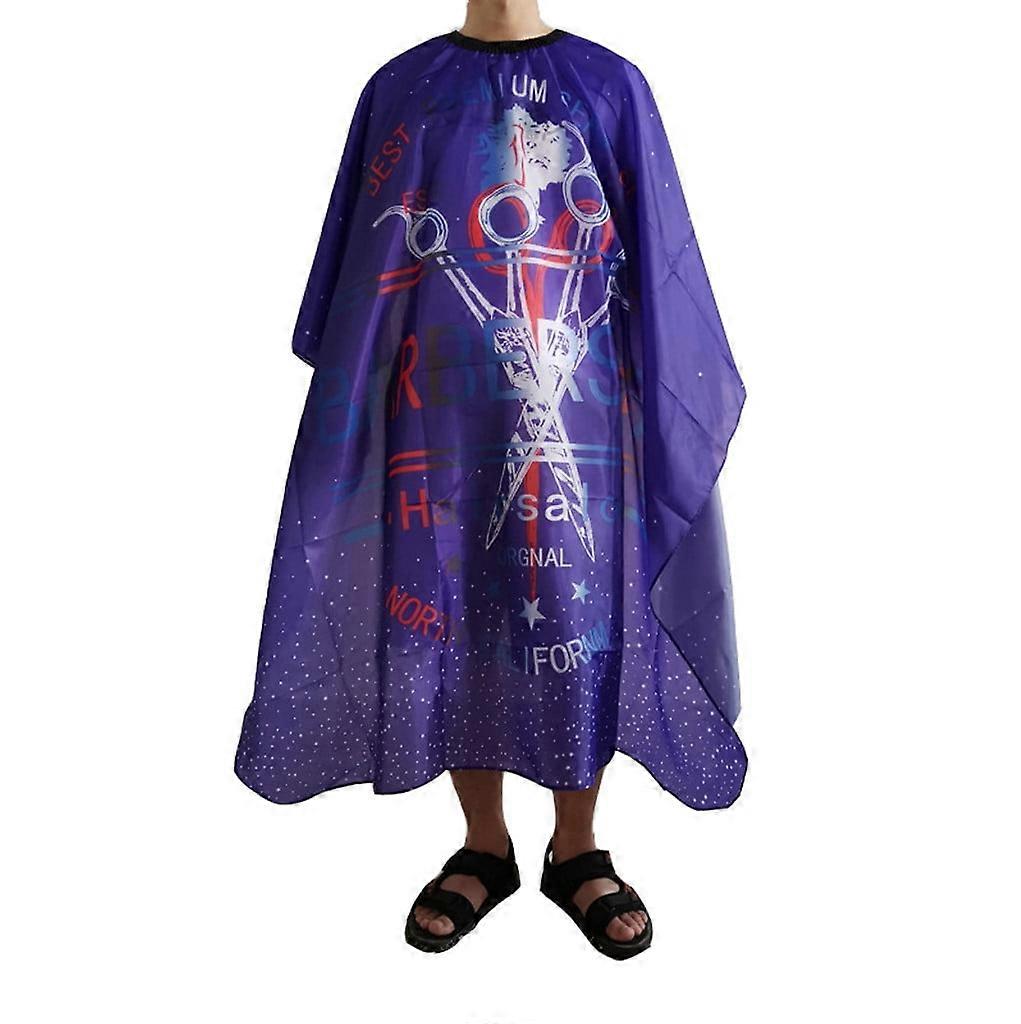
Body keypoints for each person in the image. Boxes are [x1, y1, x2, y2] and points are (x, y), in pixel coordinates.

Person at [235, 0, 746, 960]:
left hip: (582, 412)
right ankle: (485, 845)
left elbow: (657, 263)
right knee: (459, 607)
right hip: (439, 412)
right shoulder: (402, 90)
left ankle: (577, 848)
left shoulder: (610, 87)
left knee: (574, 613)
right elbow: (360, 276)